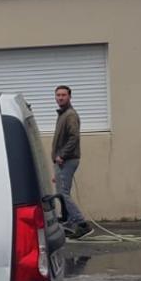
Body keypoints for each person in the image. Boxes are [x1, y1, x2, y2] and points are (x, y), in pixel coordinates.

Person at [51, 85, 92, 239]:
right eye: (58, 95)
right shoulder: (63, 114)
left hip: (67, 160)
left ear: (69, 97)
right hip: (61, 161)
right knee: (61, 193)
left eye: (63, 95)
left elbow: (74, 137)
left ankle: (82, 225)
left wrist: (62, 155)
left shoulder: (70, 115)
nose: (60, 97)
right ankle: (68, 224)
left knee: (63, 193)